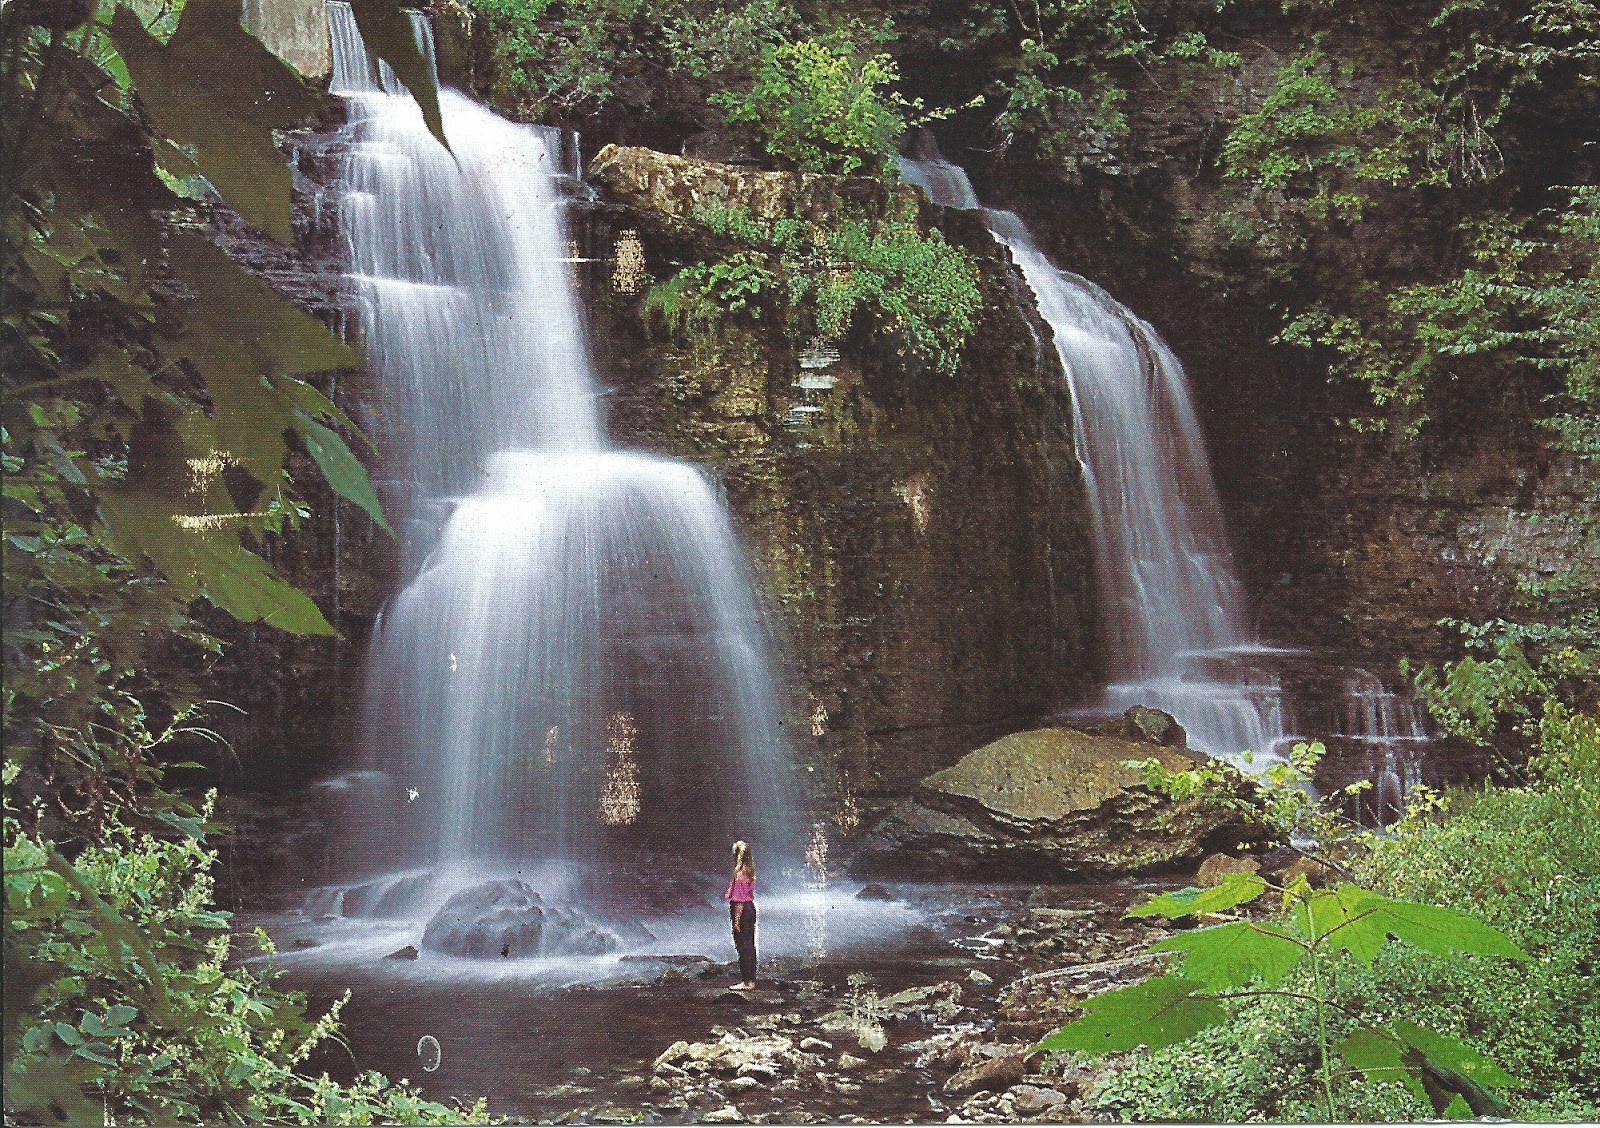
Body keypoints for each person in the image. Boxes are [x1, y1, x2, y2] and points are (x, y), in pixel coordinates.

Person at [725, 840, 757, 990]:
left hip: (743, 910)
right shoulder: (750, 870)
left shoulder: (739, 874)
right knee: (750, 945)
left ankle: (746, 982)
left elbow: (738, 901)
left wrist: (736, 921)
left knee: (742, 945)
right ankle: (751, 979)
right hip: (751, 908)